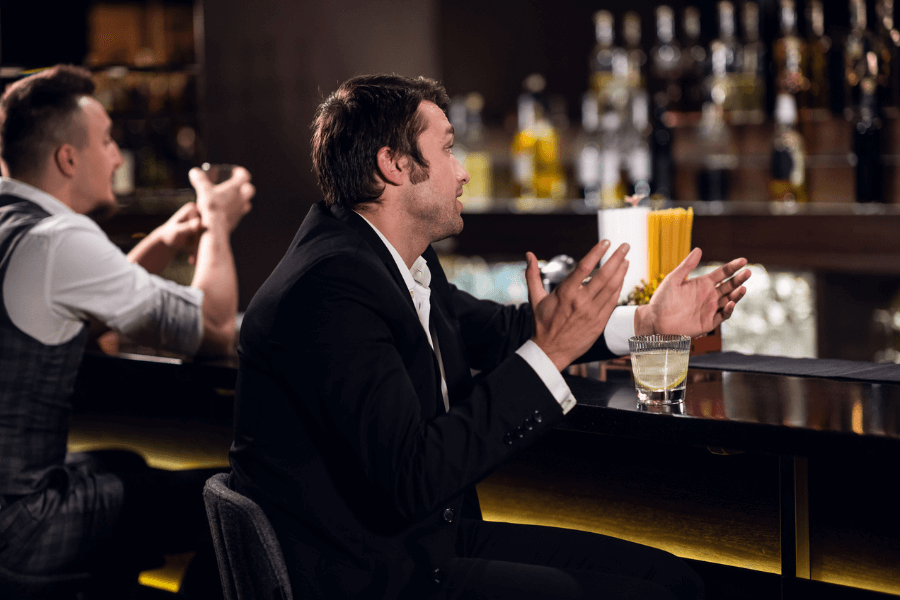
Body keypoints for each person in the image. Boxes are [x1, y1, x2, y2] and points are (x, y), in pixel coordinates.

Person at [231, 74, 750, 600]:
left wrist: (647, 322)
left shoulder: (386, 260)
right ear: (394, 164)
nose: (463, 174)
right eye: (449, 151)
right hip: (379, 578)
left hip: (428, 548)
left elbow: (499, 331)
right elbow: (410, 480)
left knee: (675, 580)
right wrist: (551, 353)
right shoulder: (329, 287)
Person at [0, 65, 253, 598]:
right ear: (67, 158)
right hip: (21, 532)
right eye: (108, 141)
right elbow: (212, 329)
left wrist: (161, 243)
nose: (117, 156)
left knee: (123, 462)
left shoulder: (16, 226)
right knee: (236, 498)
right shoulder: (58, 238)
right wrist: (217, 223)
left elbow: (84, 320)